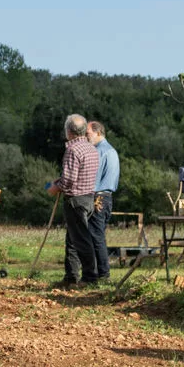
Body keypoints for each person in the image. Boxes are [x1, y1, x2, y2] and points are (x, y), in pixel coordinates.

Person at [47, 114, 100, 285]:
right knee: (73, 239)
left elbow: (69, 180)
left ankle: (90, 277)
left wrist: (56, 187)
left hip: (76, 200)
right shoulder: (92, 149)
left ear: (68, 131)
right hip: (88, 198)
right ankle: (71, 277)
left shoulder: (72, 150)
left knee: (81, 240)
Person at [86, 121, 119, 282]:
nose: (86, 137)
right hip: (108, 197)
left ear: (98, 133)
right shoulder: (112, 150)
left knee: (95, 236)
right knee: (98, 235)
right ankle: (101, 272)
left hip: (98, 197)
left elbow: (93, 178)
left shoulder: (98, 152)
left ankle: (103, 274)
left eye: (88, 134)